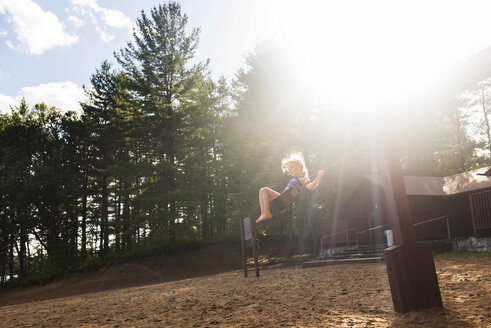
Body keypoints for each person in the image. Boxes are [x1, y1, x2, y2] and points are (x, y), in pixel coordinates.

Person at [256, 152, 324, 223]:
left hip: (287, 201)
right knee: (262, 191)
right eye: (288, 170)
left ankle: (266, 213)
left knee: (264, 190)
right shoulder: (296, 179)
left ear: (300, 166)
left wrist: (319, 176)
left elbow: (311, 187)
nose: (290, 171)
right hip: (284, 199)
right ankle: (264, 213)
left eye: (291, 167)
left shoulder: (304, 178)